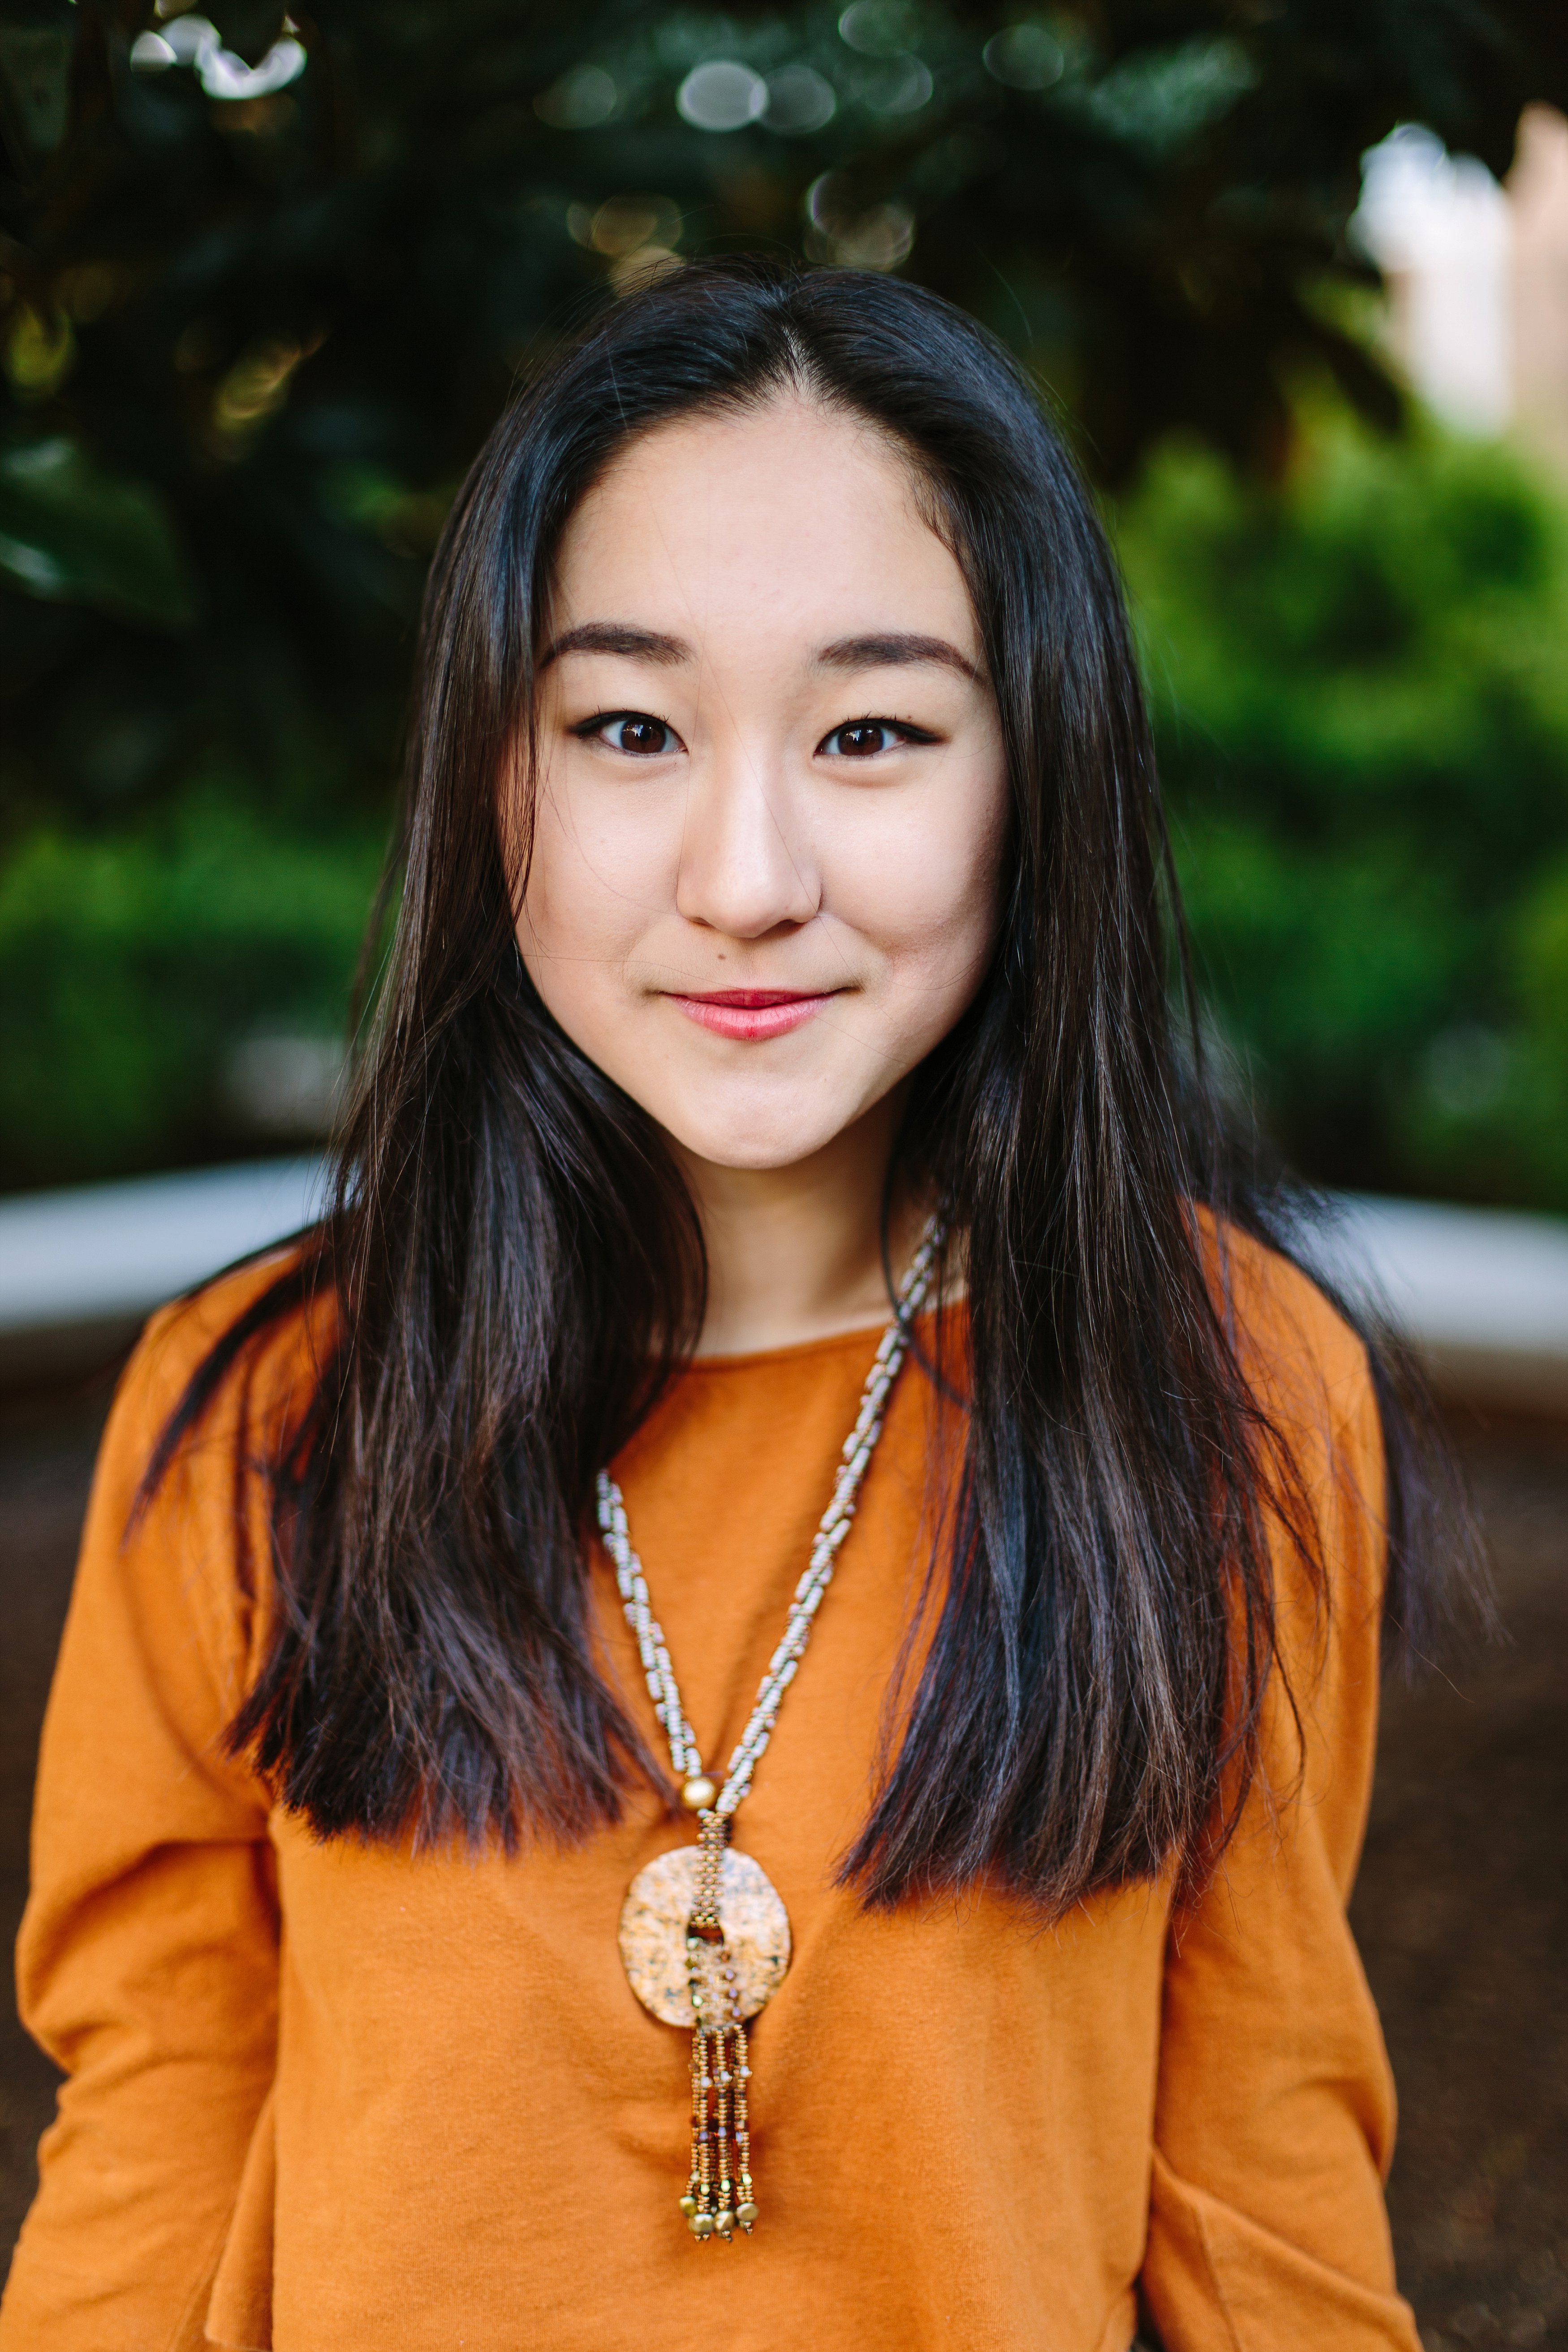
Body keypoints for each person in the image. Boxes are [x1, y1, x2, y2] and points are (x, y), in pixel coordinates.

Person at [0, 260, 1475, 2352]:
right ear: (493, 778)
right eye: (628, 727)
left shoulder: (1225, 1379)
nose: (748, 870)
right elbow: (152, 2151)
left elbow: (1264, 2187)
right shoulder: (259, 1410)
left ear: (1028, 775)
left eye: (871, 729)